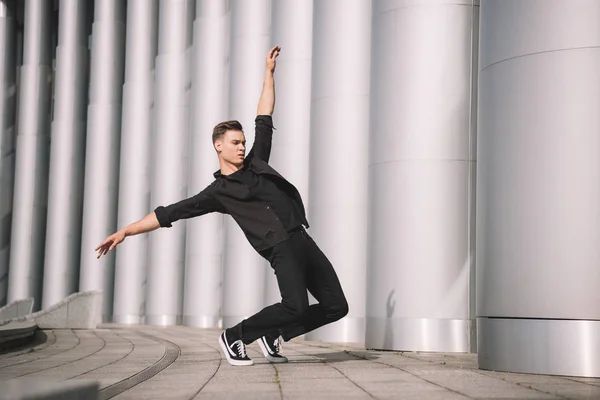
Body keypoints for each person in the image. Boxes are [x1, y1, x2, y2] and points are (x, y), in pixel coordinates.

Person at [96, 46, 348, 366]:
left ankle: (275, 334)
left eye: (243, 142)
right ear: (218, 145)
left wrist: (268, 74)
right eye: (235, 142)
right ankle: (235, 335)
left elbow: (264, 116)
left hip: (301, 238)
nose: (242, 146)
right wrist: (125, 231)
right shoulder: (218, 192)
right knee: (295, 305)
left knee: (336, 307)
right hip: (279, 247)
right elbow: (168, 213)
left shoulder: (257, 162)